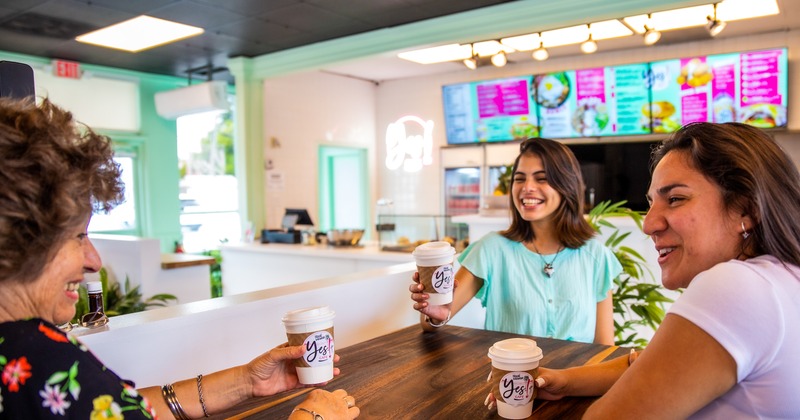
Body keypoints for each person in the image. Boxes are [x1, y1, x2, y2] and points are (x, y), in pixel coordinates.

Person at [0, 97, 360, 419]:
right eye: (78, 236)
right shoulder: (33, 357)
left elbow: (116, 409)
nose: (93, 260)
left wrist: (246, 382)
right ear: (18, 238)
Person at [528, 122, 800, 418]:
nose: (648, 224)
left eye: (675, 199)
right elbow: (661, 362)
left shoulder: (736, 285)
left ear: (745, 209)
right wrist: (566, 381)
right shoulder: (781, 277)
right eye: (651, 202)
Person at [410, 137, 622, 344]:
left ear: (566, 185)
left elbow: (604, 348)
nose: (527, 187)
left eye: (541, 178)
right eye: (520, 178)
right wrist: (434, 313)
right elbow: (437, 317)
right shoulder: (491, 249)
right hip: (511, 378)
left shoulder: (595, 255)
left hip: (575, 379)